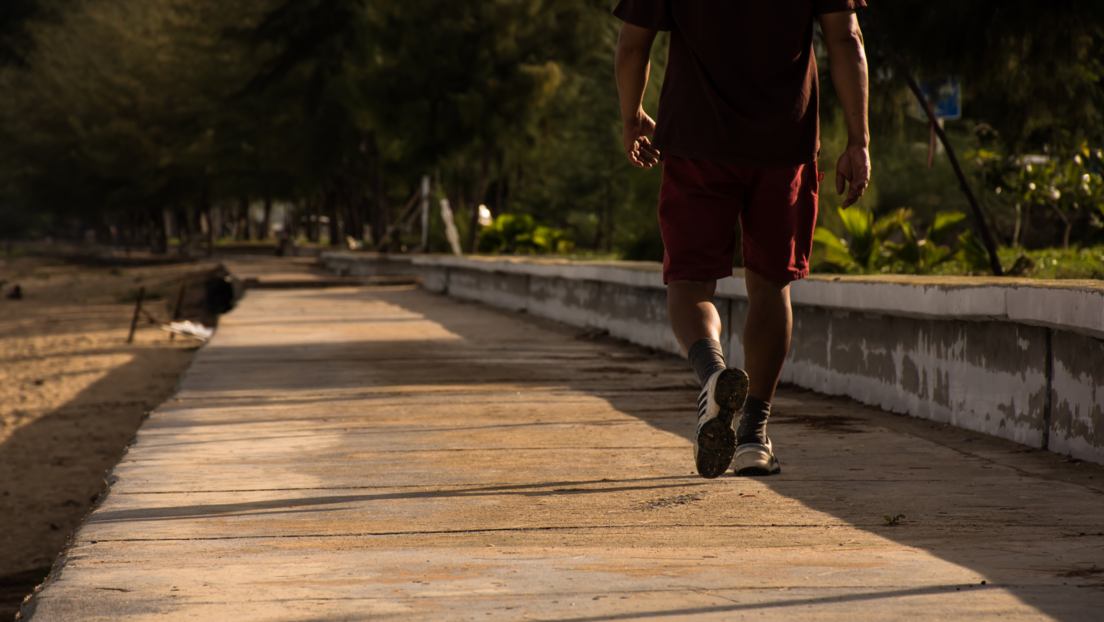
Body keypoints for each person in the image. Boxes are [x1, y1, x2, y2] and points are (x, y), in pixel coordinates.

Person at [614, 1, 871, 479]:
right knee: (771, 285)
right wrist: (858, 140)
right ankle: (754, 435)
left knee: (689, 285)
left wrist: (632, 117)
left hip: (696, 140)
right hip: (783, 143)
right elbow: (847, 40)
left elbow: (633, 43)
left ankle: (714, 375)